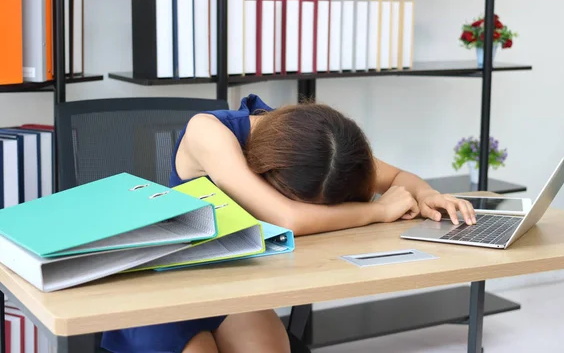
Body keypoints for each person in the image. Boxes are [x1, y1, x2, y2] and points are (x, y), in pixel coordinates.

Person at [102, 94, 476, 353]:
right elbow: (287, 217)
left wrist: (426, 193)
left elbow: (399, 179)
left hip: (233, 285)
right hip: (167, 287)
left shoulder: (319, 144)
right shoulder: (209, 133)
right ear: (272, 171)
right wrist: (378, 211)